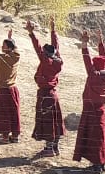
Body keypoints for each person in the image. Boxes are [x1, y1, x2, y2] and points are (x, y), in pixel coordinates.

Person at [74, 31, 105, 172]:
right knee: (99, 137)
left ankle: (97, 165)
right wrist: (100, 42)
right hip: (100, 110)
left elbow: (86, 59)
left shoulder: (93, 75)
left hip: (90, 109)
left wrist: (84, 44)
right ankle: (99, 163)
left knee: (92, 137)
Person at [29, 19, 66, 157]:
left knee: (48, 122)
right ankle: (55, 147)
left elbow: (37, 47)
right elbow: (56, 45)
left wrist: (31, 33)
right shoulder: (57, 60)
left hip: (45, 95)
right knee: (55, 121)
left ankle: (49, 148)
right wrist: (53, 30)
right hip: (53, 95)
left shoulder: (46, 61)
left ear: (45, 54)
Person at [0, 27, 22, 143]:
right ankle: (15, 136)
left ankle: (5, 136)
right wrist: (10, 38)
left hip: (4, 90)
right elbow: (15, 48)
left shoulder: (4, 58)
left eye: (4, 46)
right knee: (14, 112)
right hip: (13, 89)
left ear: (9, 48)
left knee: (4, 113)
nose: (2, 47)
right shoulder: (16, 55)